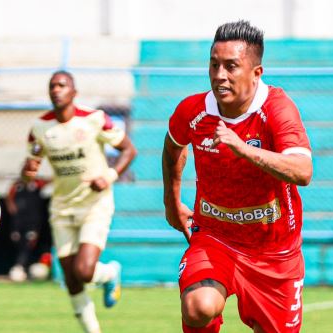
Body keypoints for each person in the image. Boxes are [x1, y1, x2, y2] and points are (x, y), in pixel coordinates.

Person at [162, 20, 313, 333]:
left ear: (256, 72)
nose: (220, 76)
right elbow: (173, 145)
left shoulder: (277, 109)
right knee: (198, 305)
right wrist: (172, 203)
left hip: (274, 252)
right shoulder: (194, 111)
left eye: (231, 66)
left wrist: (244, 149)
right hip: (216, 237)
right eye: (214, 65)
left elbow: (302, 171)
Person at [21, 70, 137, 333]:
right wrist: (26, 171)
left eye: (62, 85)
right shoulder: (40, 128)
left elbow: (129, 149)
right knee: (72, 281)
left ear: (74, 92)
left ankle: (109, 273)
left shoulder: (94, 119)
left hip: (94, 204)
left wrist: (109, 175)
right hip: (62, 208)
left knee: (84, 271)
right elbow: (30, 166)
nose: (56, 90)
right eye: (52, 86)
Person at [6, 177, 51, 282]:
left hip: (32, 223)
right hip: (18, 222)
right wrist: (12, 208)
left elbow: (51, 181)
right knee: (19, 243)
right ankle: (20, 268)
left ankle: (20, 267)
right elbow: (9, 196)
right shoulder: (17, 184)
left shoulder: (37, 183)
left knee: (29, 243)